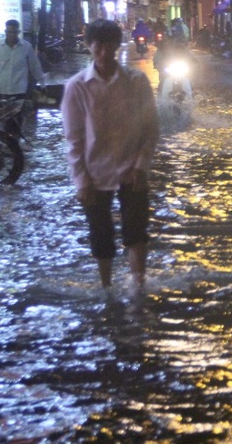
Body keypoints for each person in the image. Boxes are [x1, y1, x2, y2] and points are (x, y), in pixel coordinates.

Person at [61, 19, 160, 290]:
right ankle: (106, 289)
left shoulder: (137, 82)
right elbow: (74, 139)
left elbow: (150, 128)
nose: (104, 52)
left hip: (132, 169)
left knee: (136, 230)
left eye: (110, 45)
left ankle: (138, 285)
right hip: (95, 172)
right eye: (98, 45)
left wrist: (141, 165)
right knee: (100, 234)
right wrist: (81, 181)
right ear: (89, 46)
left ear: (118, 46)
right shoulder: (77, 86)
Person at [0, 18, 45, 145]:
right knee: (1, 118)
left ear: (18, 32)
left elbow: (35, 66)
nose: (11, 35)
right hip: (1, 89)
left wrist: (42, 83)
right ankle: (5, 144)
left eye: (14, 32)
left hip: (19, 90)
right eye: (9, 32)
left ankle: (14, 144)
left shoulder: (26, 47)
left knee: (17, 118)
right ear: (5, 31)